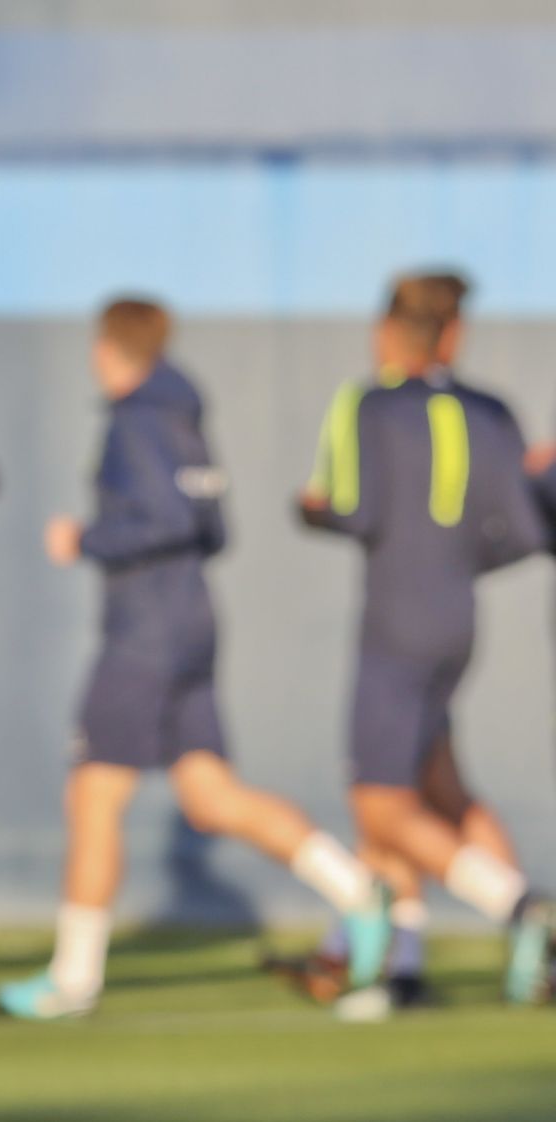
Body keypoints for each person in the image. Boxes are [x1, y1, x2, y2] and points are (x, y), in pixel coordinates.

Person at [0, 298, 390, 1021]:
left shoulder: (136, 419)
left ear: (110, 346)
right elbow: (213, 527)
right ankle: (359, 892)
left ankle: (73, 979)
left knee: (93, 796)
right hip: (191, 622)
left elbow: (171, 520)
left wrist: (85, 540)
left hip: (144, 633)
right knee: (211, 798)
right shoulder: (183, 414)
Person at [299, 274, 553, 1006]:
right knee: (438, 787)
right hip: (457, 618)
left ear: (390, 332)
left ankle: (515, 907)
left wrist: (310, 512)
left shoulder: (369, 403)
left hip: (396, 619)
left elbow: (351, 509)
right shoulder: (492, 411)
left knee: (379, 804)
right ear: (449, 332)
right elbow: (526, 529)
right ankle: (409, 963)